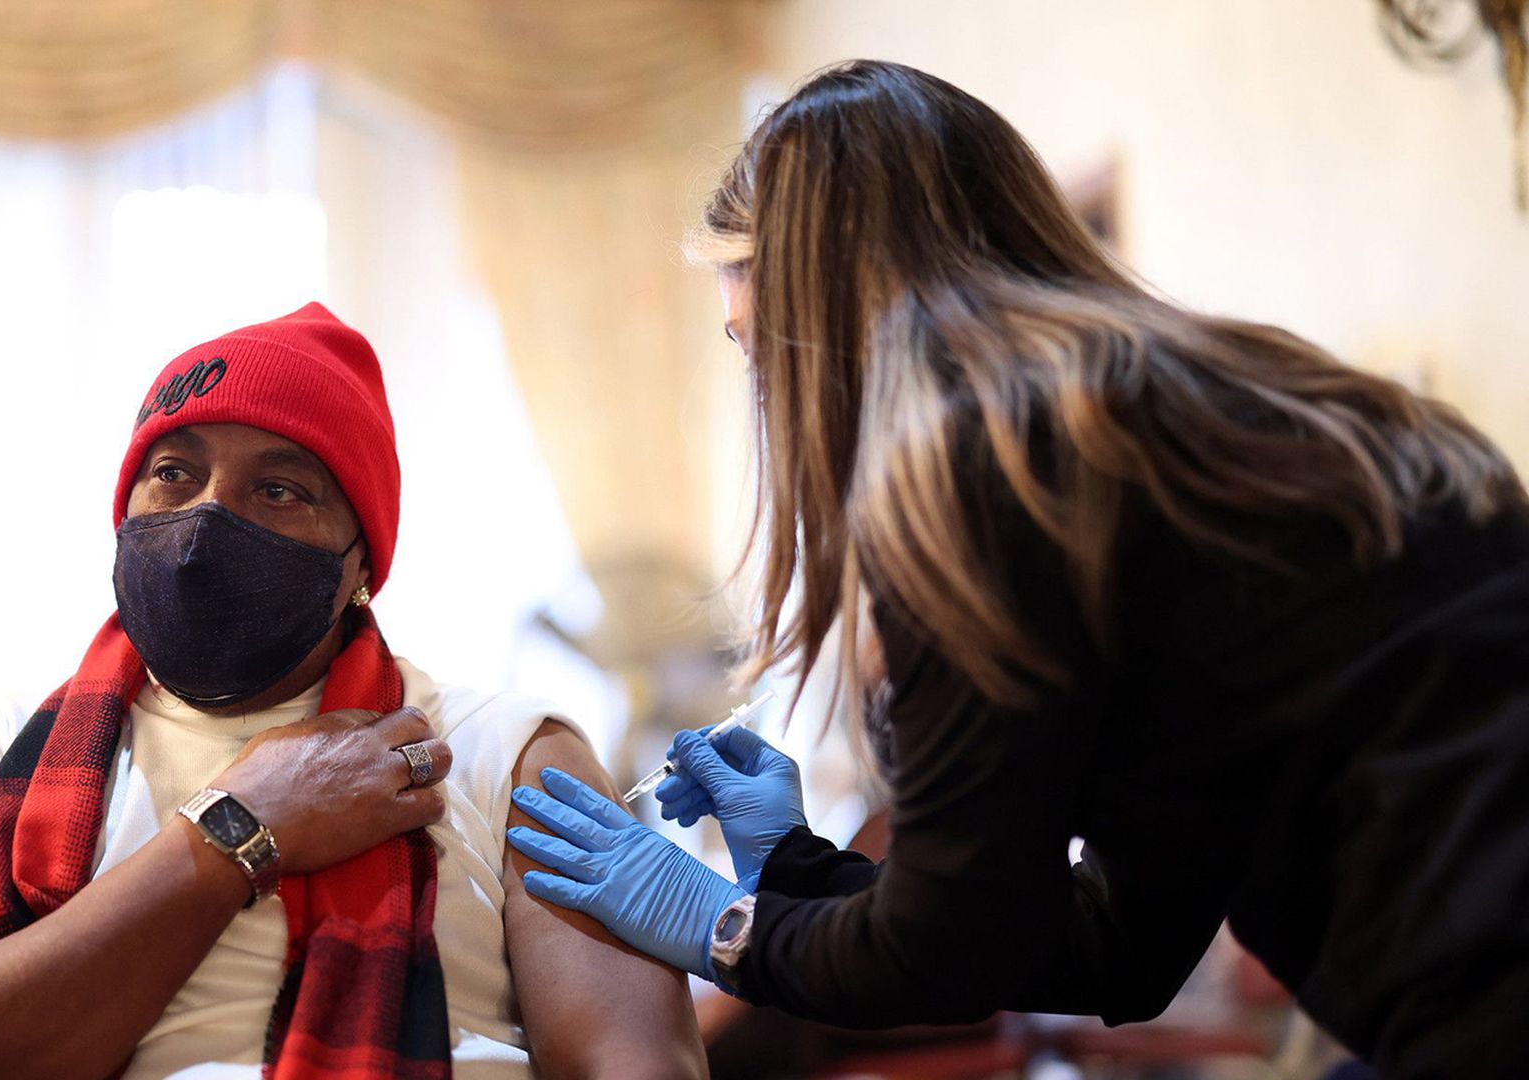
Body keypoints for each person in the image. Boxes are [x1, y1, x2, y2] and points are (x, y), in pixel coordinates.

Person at [508, 60, 1529, 1079]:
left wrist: (721, 926)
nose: (766, 395)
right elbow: (1115, 948)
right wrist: (790, 869)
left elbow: (944, 948)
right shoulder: (1235, 400)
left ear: (823, 317)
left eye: (754, 347)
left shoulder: (989, 466)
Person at [0, 303, 705, 1080]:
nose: (210, 519)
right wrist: (238, 829)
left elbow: (631, 1062)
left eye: (280, 489)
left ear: (360, 563)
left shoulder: (502, 750)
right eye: (174, 473)